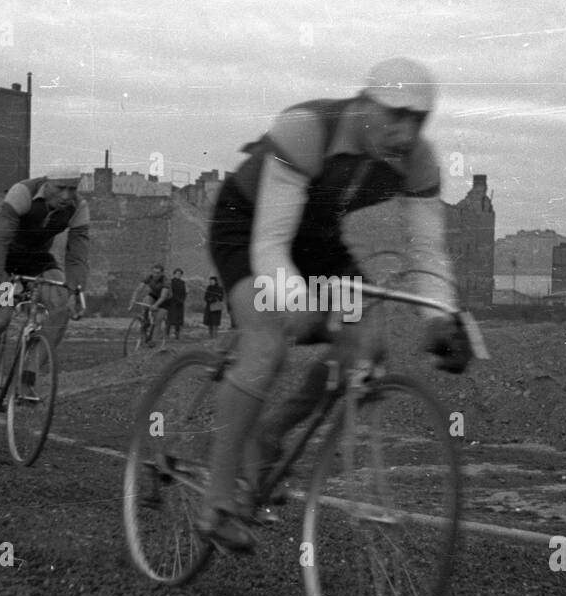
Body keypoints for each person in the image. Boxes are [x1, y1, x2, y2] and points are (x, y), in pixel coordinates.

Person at [198, 57, 473, 551]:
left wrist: (438, 317)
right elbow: (271, 246)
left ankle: (270, 434)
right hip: (250, 227)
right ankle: (217, 502)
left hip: (319, 243)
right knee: (266, 345)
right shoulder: (307, 129)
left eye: (418, 121)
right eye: (394, 116)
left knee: (365, 341)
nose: (405, 134)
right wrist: (294, 300)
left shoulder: (419, 162)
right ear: (363, 103)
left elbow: (428, 251)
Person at [0, 168, 88, 413]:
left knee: (61, 308)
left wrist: (76, 290)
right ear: (47, 184)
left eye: (73, 189)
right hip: (5, 259)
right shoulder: (23, 192)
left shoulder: (79, 207)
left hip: (37, 258)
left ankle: (28, 379)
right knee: (2, 317)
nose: (67, 195)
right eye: (61, 188)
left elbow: (77, 254)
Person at [127, 264, 171, 345]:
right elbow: (138, 289)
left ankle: (153, 341)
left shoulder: (166, 281)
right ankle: (146, 320)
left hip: (165, 300)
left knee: (158, 320)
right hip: (153, 295)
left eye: (158, 273)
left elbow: (163, 296)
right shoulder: (149, 277)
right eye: (154, 272)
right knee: (146, 301)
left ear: (162, 273)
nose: (155, 275)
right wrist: (133, 299)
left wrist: (155, 305)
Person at [166, 268, 187, 340]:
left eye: (180, 274)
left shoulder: (182, 282)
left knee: (178, 319)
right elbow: (171, 292)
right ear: (174, 274)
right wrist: (177, 300)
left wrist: (183, 300)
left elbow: (184, 292)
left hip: (180, 303)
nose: (179, 275)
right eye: (177, 274)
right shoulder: (171, 282)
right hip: (172, 303)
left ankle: (177, 335)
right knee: (170, 319)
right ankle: (167, 334)